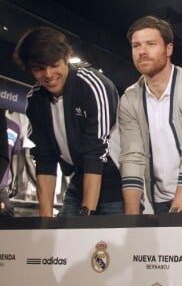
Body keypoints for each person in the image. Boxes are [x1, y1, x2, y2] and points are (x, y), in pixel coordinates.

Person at [13, 27, 123, 216]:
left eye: (54, 65)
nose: (48, 75)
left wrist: (86, 215)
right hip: (79, 181)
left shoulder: (93, 85)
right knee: (58, 240)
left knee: (105, 245)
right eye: (39, 68)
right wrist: (45, 221)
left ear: (66, 57)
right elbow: (45, 159)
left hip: (116, 186)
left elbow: (95, 153)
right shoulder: (35, 100)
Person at [119, 16, 182, 214]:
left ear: (169, 49)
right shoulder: (129, 98)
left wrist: (177, 211)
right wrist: (131, 218)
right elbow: (132, 157)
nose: (142, 51)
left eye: (151, 44)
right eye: (136, 46)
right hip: (157, 199)